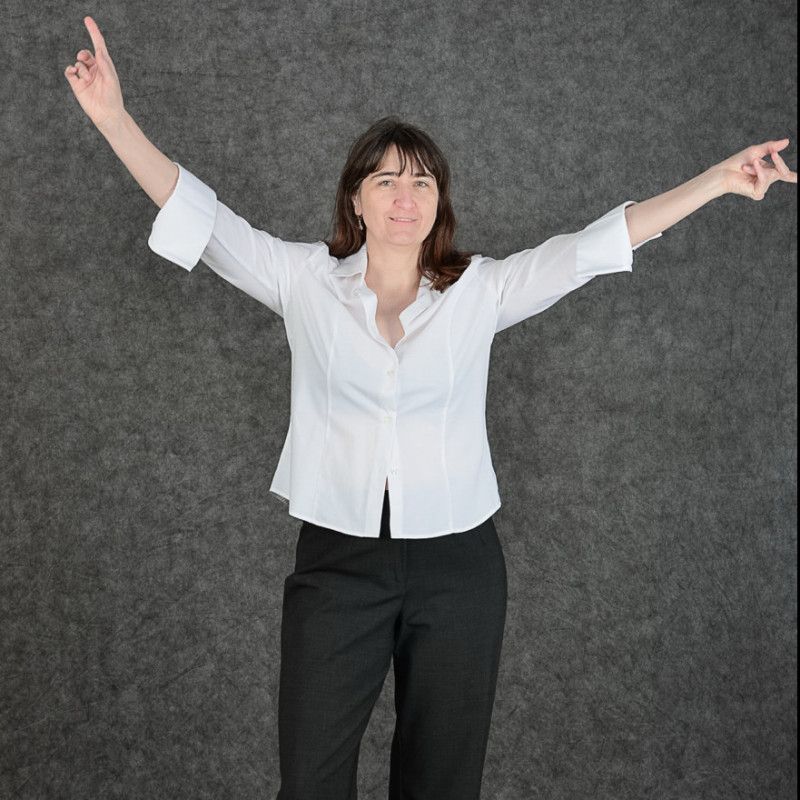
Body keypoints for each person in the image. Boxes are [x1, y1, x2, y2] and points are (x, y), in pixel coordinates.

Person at [65, 15, 797, 800]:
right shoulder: (302, 280)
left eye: (421, 180)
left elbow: (589, 249)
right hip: (337, 562)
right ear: (357, 199)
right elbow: (201, 218)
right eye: (385, 179)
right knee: (309, 784)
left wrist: (718, 180)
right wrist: (113, 117)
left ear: (438, 198)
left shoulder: (479, 291)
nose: (404, 196)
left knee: (441, 785)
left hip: (460, 568)